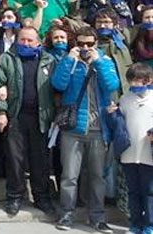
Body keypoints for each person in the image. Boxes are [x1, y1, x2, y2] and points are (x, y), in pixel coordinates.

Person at [51, 26, 119, 233]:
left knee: (97, 176)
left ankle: (97, 217)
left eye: (89, 44)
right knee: (69, 176)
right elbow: (58, 85)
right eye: (81, 44)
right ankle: (66, 215)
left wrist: (97, 61)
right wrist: (69, 60)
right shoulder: (69, 62)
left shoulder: (105, 62)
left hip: (98, 129)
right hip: (73, 128)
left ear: (96, 44)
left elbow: (112, 85)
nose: (85, 48)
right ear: (75, 44)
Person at [0, 26, 56, 216]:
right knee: (14, 159)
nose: (26, 44)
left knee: (40, 160)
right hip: (15, 116)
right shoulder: (6, 59)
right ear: (17, 41)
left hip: (40, 118)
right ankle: (15, 197)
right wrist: (0, 112)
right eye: (22, 40)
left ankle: (41, 197)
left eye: (30, 41)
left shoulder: (49, 61)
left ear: (38, 42)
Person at [109, 63, 153, 234]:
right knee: (133, 192)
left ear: (148, 80)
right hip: (129, 154)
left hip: (148, 154)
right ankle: (135, 224)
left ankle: (149, 225)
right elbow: (119, 126)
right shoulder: (125, 98)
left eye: (138, 80)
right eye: (131, 81)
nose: (134, 84)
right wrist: (113, 114)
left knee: (149, 192)